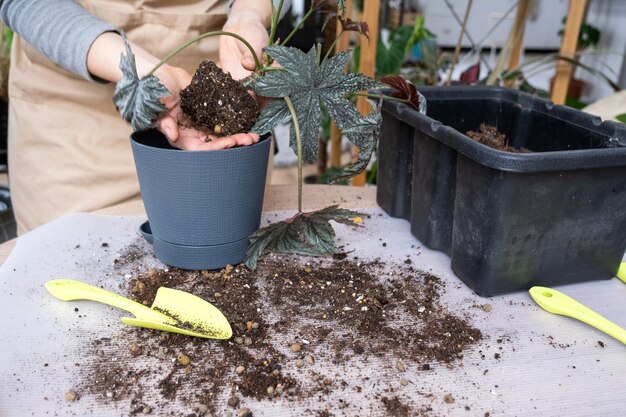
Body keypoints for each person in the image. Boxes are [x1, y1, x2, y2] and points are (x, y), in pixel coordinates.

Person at [0, 0, 289, 234]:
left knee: (224, 264)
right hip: (73, 108)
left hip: (219, 57)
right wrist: (141, 70)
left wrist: (249, 15)